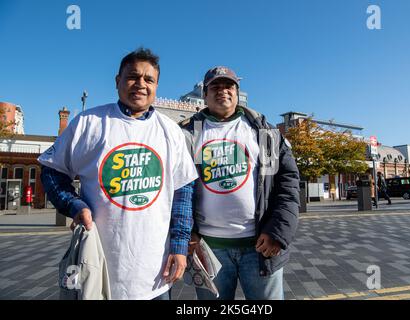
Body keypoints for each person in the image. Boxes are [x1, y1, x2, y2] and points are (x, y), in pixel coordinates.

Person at [39, 48, 198, 300]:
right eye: (133, 76)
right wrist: (74, 204)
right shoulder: (88, 122)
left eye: (149, 79)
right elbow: (50, 168)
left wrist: (179, 246)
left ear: (156, 86)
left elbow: (183, 192)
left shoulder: (171, 131)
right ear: (117, 81)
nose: (140, 84)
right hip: (99, 271)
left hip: (155, 278)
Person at [180, 66, 300, 300]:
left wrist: (278, 231)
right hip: (209, 249)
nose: (223, 91)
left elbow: (288, 184)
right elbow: (177, 189)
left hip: (259, 247)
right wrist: (186, 232)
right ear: (204, 94)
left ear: (237, 92)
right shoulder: (188, 133)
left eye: (229, 86)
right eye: (215, 86)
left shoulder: (264, 131)